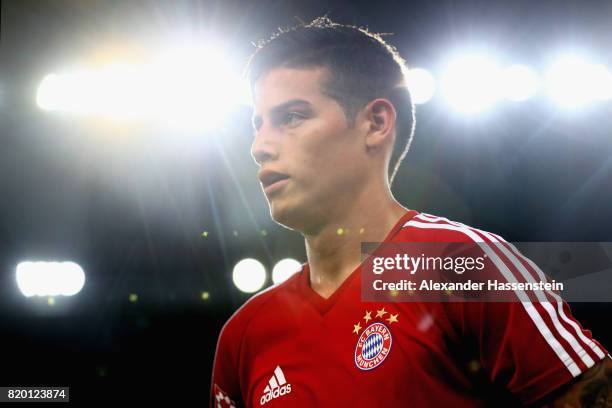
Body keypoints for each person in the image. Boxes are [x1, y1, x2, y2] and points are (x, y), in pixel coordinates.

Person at [210, 16, 610, 407]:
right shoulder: (245, 334)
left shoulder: (461, 265)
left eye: (291, 117)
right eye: (258, 124)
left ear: (376, 123)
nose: (259, 146)